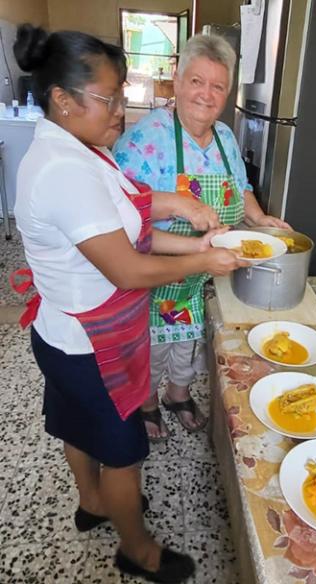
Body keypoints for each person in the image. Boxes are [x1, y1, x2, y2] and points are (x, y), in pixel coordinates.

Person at [12, 24, 246, 583]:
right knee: (124, 450)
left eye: (122, 95)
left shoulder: (82, 152)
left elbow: (133, 219)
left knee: (75, 423)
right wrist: (204, 261)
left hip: (65, 334)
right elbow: (129, 267)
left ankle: (93, 503)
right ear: (62, 100)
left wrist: (189, 227)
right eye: (109, 99)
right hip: (89, 345)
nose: (121, 110)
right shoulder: (64, 170)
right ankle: (136, 550)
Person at [114, 34, 291, 440]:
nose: (206, 95)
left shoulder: (226, 138)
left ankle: (178, 394)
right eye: (197, 81)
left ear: (228, 94)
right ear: (177, 80)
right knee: (153, 347)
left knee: (192, 343)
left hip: (207, 272)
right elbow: (120, 214)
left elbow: (241, 188)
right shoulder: (146, 139)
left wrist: (262, 218)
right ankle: (148, 403)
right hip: (158, 271)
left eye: (218, 86)